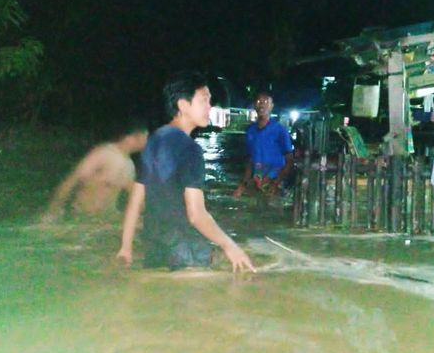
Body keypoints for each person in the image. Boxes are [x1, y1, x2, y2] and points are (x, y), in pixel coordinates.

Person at [116, 71, 255, 273]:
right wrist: (229, 245)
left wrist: (126, 247)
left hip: (155, 246)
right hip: (186, 249)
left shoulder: (155, 140)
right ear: (183, 105)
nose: (210, 107)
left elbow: (136, 200)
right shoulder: (191, 150)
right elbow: (196, 215)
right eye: (204, 100)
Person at [42, 122, 148, 222]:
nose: (147, 142)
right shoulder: (103, 153)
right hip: (82, 217)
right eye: (145, 138)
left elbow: (134, 194)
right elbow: (72, 179)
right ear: (133, 136)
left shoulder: (129, 165)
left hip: (105, 219)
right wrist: (52, 209)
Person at [232, 91, 293, 198]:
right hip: (258, 180)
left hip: (276, 182)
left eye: (266, 102)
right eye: (259, 101)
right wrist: (243, 185)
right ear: (254, 105)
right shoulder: (250, 131)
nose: (262, 105)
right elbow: (250, 161)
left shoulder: (280, 131)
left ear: (272, 106)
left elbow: (289, 161)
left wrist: (276, 184)